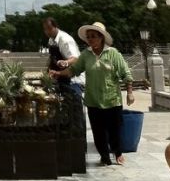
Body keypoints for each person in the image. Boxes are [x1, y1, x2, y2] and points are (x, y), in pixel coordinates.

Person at [50, 22, 134, 166]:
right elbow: (73, 70)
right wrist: (58, 73)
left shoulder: (113, 53)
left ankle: (117, 152)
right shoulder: (86, 55)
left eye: (93, 37)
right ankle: (104, 156)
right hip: (93, 100)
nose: (90, 40)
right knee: (98, 131)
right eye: (88, 37)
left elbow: (125, 73)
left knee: (114, 129)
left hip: (112, 99)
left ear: (101, 38)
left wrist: (130, 93)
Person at [42, 18, 85, 95]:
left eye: (49, 28)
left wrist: (65, 62)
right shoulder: (51, 40)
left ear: (55, 26)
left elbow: (75, 59)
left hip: (74, 81)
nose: (47, 31)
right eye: (45, 29)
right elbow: (52, 58)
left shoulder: (65, 40)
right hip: (62, 77)